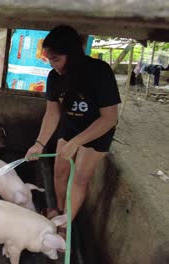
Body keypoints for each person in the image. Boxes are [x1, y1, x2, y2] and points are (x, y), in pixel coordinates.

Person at [25, 25, 121, 239]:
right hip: (71, 127)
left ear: (72, 54)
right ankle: (59, 212)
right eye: (49, 59)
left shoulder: (99, 73)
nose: (52, 65)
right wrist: (39, 144)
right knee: (59, 170)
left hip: (97, 131)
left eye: (56, 59)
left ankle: (65, 225)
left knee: (79, 177)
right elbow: (52, 114)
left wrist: (77, 142)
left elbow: (109, 118)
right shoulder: (54, 77)